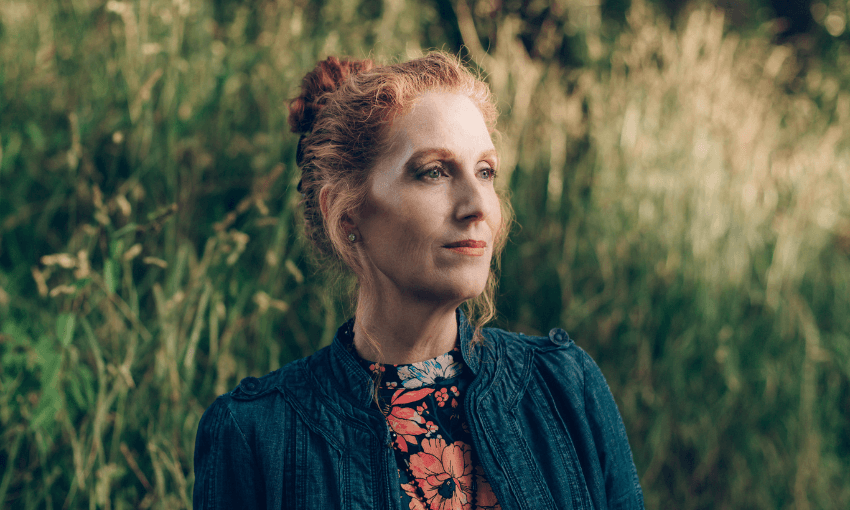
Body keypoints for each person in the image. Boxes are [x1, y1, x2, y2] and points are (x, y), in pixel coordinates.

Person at [192, 51, 644, 510]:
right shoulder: (255, 436)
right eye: (434, 172)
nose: (477, 205)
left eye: (485, 172)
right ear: (347, 213)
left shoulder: (566, 389)